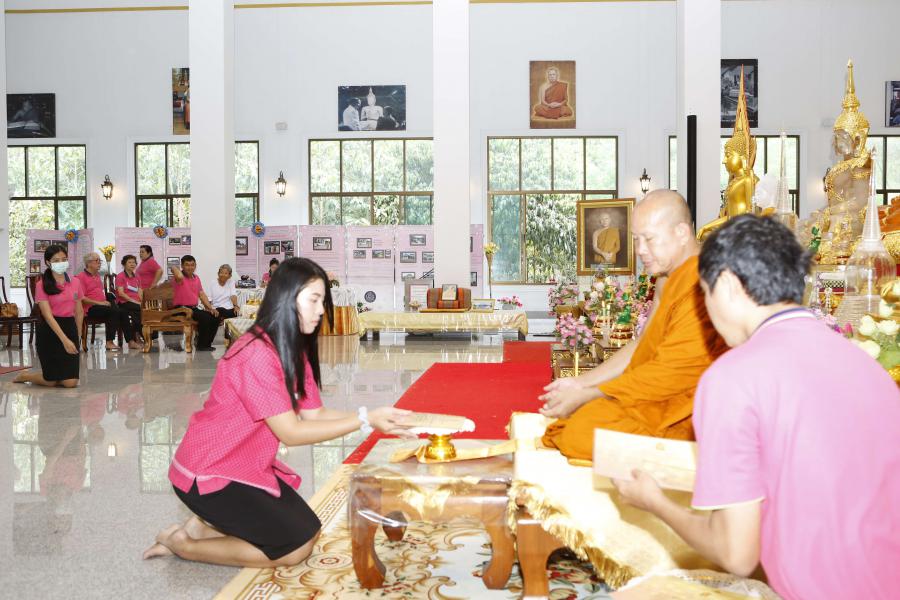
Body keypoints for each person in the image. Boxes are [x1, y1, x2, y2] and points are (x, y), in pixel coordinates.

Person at [612, 215, 900, 600]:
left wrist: (654, 502)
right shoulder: (867, 366)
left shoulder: (732, 378)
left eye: (704, 293)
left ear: (728, 285)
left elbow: (736, 554)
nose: (706, 311)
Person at [143, 257, 414, 567]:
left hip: (240, 464)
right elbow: (291, 432)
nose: (321, 310)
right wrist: (365, 420)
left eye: (322, 301)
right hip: (207, 471)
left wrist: (372, 416)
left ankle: (201, 527)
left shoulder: (292, 348)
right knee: (294, 549)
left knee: (309, 532)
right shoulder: (257, 352)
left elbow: (314, 415)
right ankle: (183, 545)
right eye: (314, 300)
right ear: (286, 298)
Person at [540, 190, 728, 460]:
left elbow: (672, 371)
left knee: (581, 431)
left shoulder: (708, 281)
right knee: (584, 422)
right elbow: (641, 344)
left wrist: (591, 394)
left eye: (649, 239)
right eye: (636, 240)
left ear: (681, 232)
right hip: (655, 391)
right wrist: (580, 383)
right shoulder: (665, 280)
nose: (640, 250)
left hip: (692, 404)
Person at [14, 245, 83, 388]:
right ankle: (26, 376)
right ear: (48, 262)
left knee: (70, 383)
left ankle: (58, 375)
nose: (61, 263)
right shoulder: (42, 285)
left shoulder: (75, 282)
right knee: (50, 381)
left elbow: (79, 311)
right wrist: (64, 340)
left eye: (64, 259)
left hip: (69, 327)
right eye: (56, 260)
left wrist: (78, 336)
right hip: (49, 330)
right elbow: (47, 315)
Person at [170, 255, 219, 351]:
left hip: (192, 309)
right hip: (180, 309)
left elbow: (201, 294)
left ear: (195, 266)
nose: (190, 267)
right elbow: (178, 274)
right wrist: (174, 267)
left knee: (215, 316)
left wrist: (210, 308)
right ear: (182, 266)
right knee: (204, 317)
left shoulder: (196, 278)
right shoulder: (178, 278)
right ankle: (202, 345)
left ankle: (206, 343)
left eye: (192, 265)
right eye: (187, 265)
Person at [75, 252, 122, 351]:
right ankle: (109, 342)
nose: (99, 263)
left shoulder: (96, 276)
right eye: (97, 260)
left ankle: (130, 340)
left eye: (99, 260)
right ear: (89, 263)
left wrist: (104, 302)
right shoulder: (80, 277)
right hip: (89, 308)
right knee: (113, 311)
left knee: (120, 310)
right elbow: (82, 298)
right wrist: (100, 303)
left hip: (101, 305)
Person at [115, 254, 144, 350]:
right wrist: (135, 302)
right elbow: (121, 293)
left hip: (136, 303)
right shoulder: (120, 276)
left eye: (134, 262)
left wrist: (141, 301)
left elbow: (140, 291)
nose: (132, 264)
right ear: (124, 264)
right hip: (124, 301)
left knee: (143, 310)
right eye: (129, 262)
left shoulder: (137, 276)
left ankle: (138, 336)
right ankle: (138, 336)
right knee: (138, 309)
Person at [209, 264, 239, 341]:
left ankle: (228, 340)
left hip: (228, 307)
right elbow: (209, 298)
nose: (223, 275)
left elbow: (233, 295)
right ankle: (209, 340)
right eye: (221, 272)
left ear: (230, 275)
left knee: (235, 313)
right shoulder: (213, 283)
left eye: (226, 273)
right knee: (218, 312)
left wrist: (235, 306)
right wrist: (210, 308)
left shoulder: (231, 282)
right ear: (218, 273)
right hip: (216, 308)